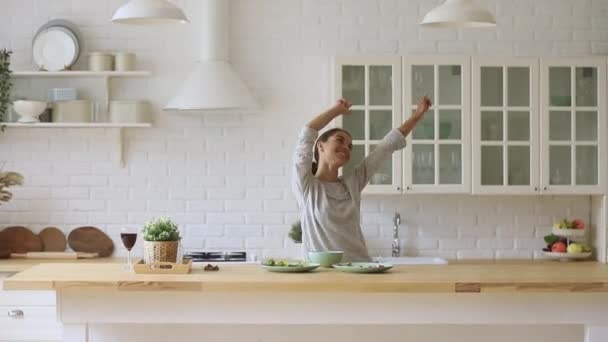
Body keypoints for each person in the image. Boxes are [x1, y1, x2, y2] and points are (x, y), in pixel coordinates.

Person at [292, 96, 432, 262]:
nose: (346, 147)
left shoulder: (352, 183)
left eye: (350, 146)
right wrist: (336, 111)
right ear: (320, 146)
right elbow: (307, 134)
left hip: (359, 269)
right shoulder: (306, 185)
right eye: (340, 141)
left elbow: (386, 147)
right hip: (322, 275)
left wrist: (416, 116)